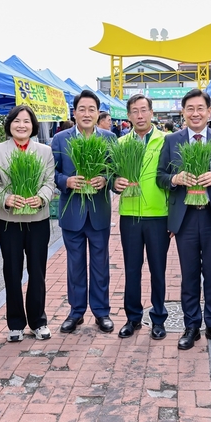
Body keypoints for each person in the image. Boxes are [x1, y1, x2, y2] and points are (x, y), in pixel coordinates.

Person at [156, 89, 211, 350]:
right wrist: (174, 179)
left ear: (208, 112)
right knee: (189, 274)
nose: (195, 113)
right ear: (183, 112)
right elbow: (160, 176)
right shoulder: (172, 141)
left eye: (200, 108)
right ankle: (191, 325)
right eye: (190, 108)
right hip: (186, 219)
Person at [0, 105, 55, 342]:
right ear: (10, 124)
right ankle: (15, 323)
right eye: (16, 121)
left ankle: (38, 321)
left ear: (33, 125)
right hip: (9, 221)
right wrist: (5, 198)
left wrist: (42, 197)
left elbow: (49, 181)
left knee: (37, 271)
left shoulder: (45, 151)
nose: (21, 125)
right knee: (12, 271)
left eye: (26, 121)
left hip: (38, 219)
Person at [52, 90, 117, 334]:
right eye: (82, 109)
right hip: (72, 214)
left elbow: (115, 171)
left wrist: (106, 179)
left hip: (99, 212)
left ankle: (102, 312)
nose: (87, 113)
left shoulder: (109, 138)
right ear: (75, 112)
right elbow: (53, 173)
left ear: (98, 112)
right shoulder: (60, 139)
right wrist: (66, 182)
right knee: (75, 265)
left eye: (92, 109)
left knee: (100, 265)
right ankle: (76, 312)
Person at [113, 94, 169, 340]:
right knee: (132, 269)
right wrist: (116, 183)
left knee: (158, 269)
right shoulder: (122, 143)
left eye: (143, 110)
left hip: (158, 215)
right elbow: (112, 178)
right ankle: (132, 318)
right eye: (134, 111)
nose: (139, 115)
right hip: (130, 215)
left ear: (152, 113)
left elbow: (172, 179)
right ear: (128, 116)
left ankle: (158, 318)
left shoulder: (166, 141)